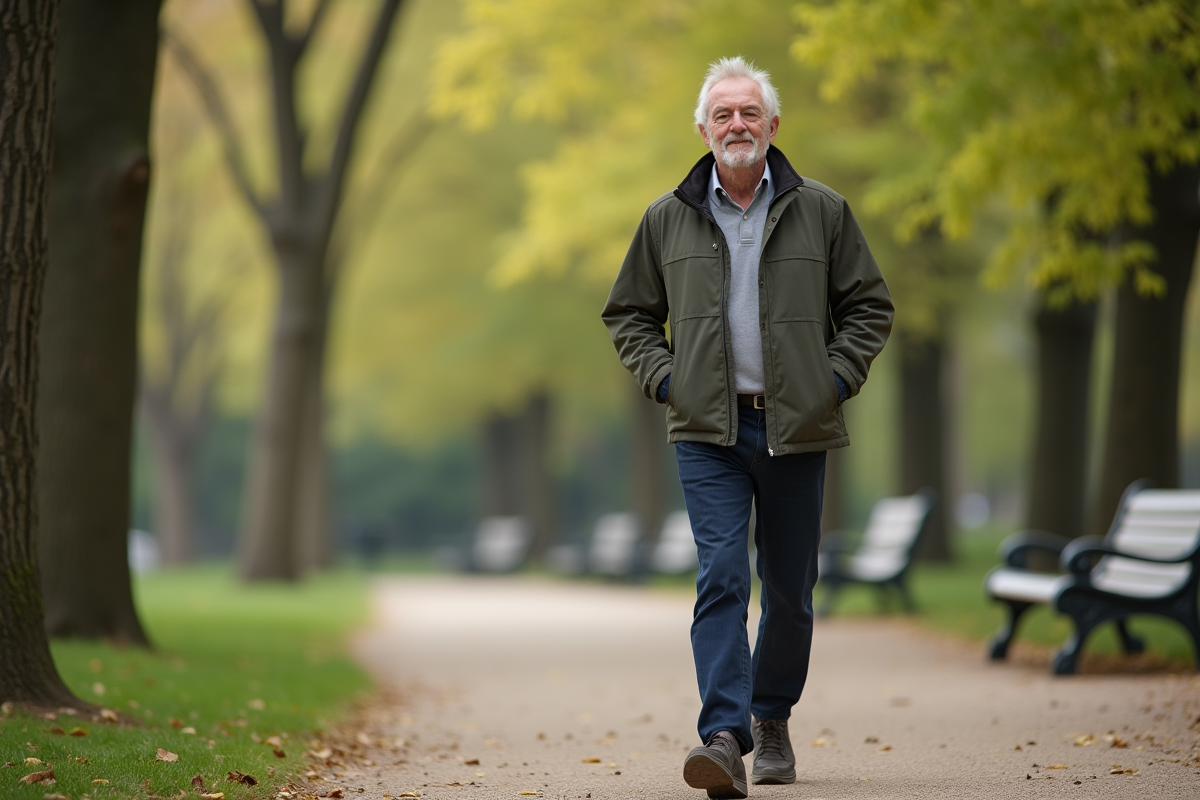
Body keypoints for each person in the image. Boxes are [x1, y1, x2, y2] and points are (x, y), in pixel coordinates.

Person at [601, 56, 893, 798]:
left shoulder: (821, 210)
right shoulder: (666, 217)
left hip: (797, 427)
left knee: (790, 588)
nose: (737, 124)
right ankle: (724, 737)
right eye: (723, 114)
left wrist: (832, 382)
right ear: (702, 128)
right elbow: (629, 314)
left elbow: (869, 308)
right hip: (708, 434)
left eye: (749, 112)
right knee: (722, 577)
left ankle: (771, 719)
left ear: (772, 126)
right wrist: (667, 380)